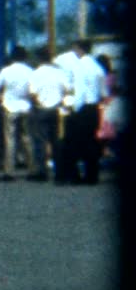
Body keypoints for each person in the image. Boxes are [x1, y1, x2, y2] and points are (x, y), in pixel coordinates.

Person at [54, 39, 107, 185]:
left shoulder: (79, 67)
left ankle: (73, 176)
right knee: (92, 142)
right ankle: (92, 175)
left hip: (81, 108)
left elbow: (79, 91)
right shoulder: (98, 68)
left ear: (78, 49)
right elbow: (104, 92)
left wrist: (73, 109)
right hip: (94, 108)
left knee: (73, 143)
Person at [27, 46, 71, 182]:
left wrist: (39, 103)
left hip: (41, 109)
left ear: (39, 58)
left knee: (40, 141)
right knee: (56, 141)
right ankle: (60, 171)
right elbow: (68, 90)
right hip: (56, 109)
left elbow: (32, 94)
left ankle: (41, 171)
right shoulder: (59, 73)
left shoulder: (36, 73)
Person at [0, 46, 34, 181]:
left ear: (12, 57)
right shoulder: (30, 71)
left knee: (10, 139)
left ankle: (9, 171)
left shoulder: (6, 71)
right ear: (25, 57)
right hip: (26, 106)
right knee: (27, 138)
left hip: (10, 106)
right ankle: (32, 169)